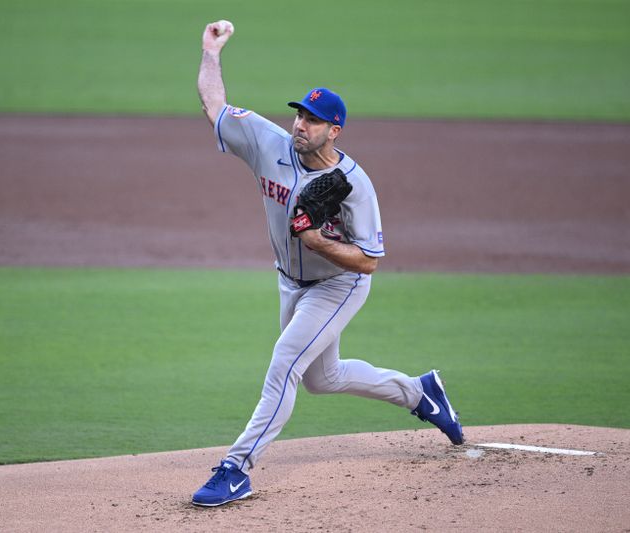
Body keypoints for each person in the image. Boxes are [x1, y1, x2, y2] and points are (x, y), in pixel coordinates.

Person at [192, 19, 464, 507]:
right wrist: (211, 53)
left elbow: (370, 262)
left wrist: (316, 240)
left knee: (285, 363)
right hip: (289, 283)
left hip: (338, 285)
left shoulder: (355, 185)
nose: (300, 124)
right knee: (324, 378)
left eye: (313, 120)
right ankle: (421, 394)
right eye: (299, 115)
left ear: (333, 130)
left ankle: (235, 468)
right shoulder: (266, 142)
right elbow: (214, 105)